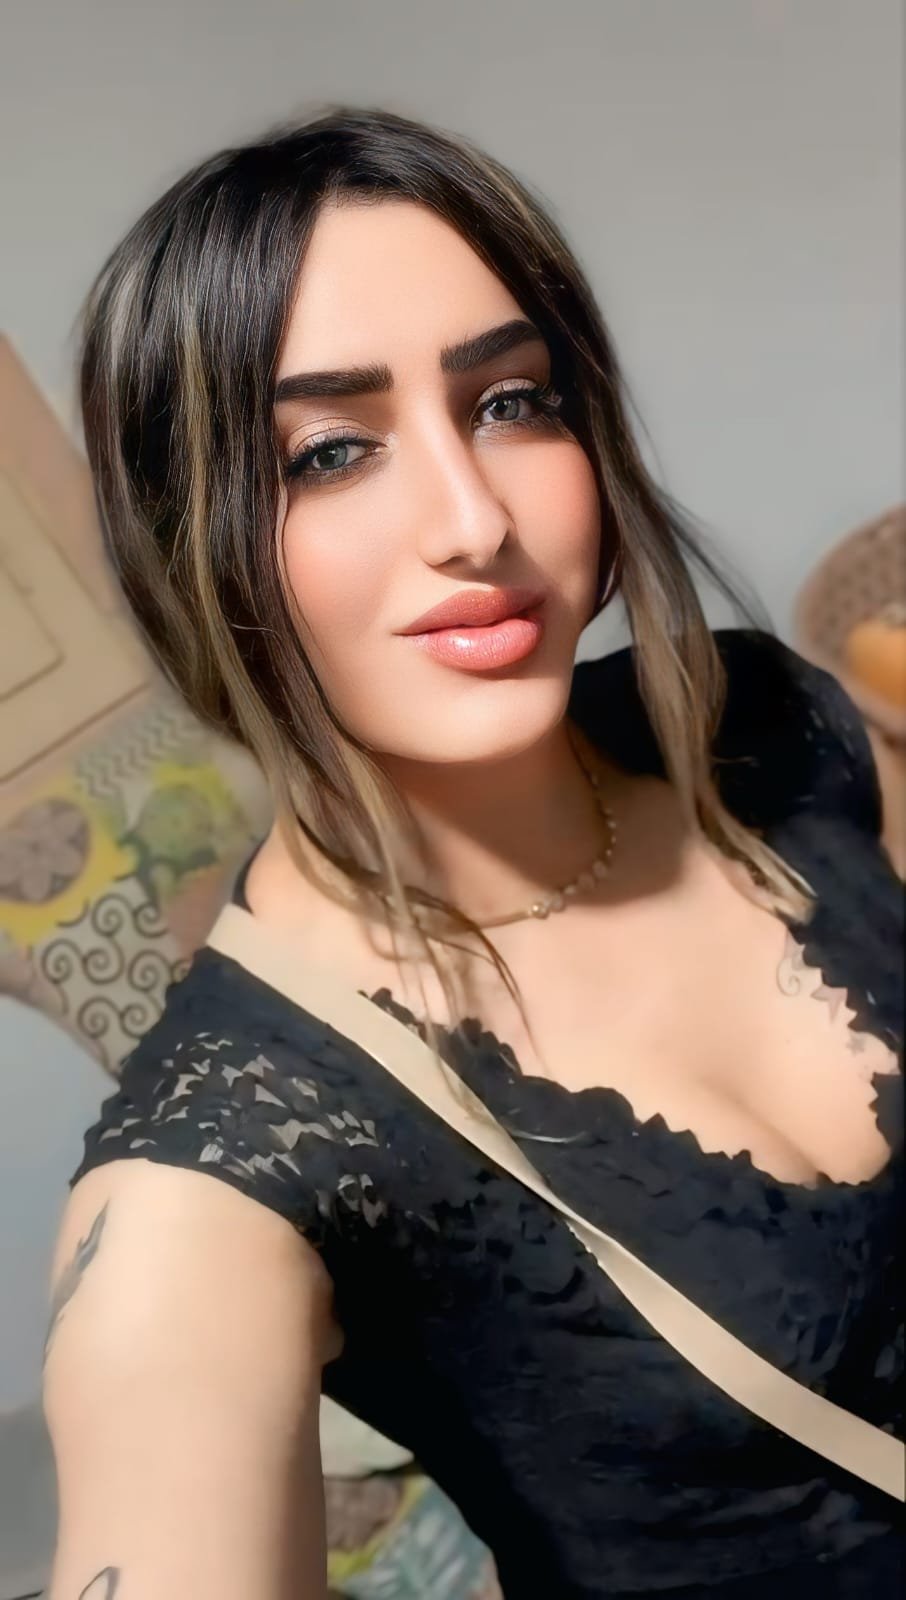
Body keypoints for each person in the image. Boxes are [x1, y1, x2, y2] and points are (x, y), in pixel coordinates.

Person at [42, 106, 902, 1600]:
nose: (471, 519)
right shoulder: (217, 1182)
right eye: (328, 452)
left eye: (510, 402)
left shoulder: (763, 726)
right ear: (188, 542)